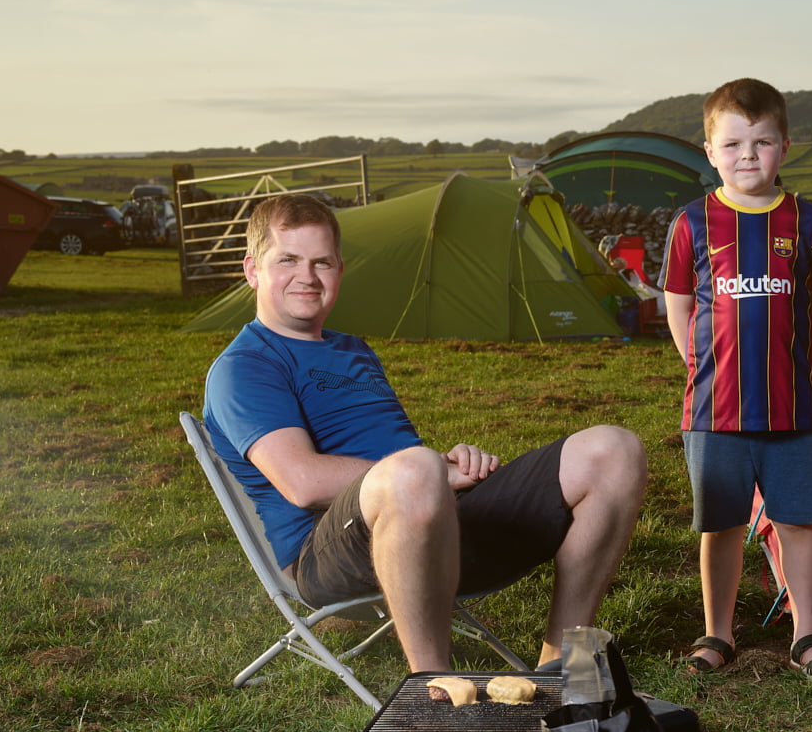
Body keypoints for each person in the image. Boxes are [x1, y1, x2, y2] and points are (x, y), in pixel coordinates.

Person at [203, 193, 645, 675]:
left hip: (427, 511)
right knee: (415, 470)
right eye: (287, 260)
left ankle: (564, 664)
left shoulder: (353, 349)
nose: (307, 277)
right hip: (327, 554)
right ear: (252, 270)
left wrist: (448, 466)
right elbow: (302, 481)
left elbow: (397, 454)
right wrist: (429, 471)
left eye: (321, 262)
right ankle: (430, 684)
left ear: (339, 271)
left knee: (613, 449)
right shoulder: (246, 365)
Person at [661, 78, 812, 679]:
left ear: (785, 147)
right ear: (710, 151)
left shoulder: (806, 221)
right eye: (735, 143)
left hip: (791, 409)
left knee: (797, 522)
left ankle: (807, 635)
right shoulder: (692, 223)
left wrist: (792, 359)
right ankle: (717, 635)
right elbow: (678, 307)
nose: (749, 155)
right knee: (721, 524)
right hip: (715, 412)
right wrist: (703, 369)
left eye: (762, 142)